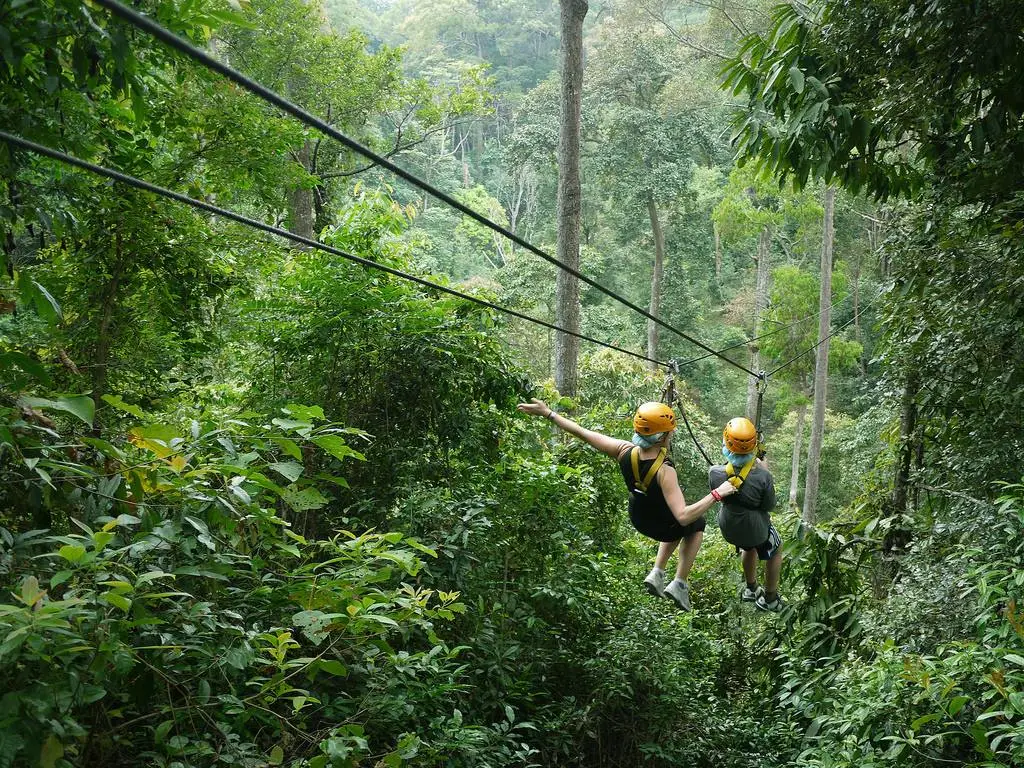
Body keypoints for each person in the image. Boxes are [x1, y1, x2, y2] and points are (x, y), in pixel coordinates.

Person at [517, 398, 739, 611]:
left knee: (678, 519)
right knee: (695, 522)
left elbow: (582, 433)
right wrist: (717, 494)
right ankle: (680, 583)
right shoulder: (664, 470)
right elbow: (682, 516)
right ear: (662, 437)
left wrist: (548, 413)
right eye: (670, 431)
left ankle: (657, 572)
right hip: (662, 525)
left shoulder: (624, 451)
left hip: (639, 518)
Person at [708, 417, 783, 612]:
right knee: (776, 549)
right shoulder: (762, 476)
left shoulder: (715, 472)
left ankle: (751, 588)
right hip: (754, 528)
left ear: (725, 443)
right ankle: (771, 598)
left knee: (748, 548)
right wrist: (764, 471)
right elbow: (768, 506)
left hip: (729, 527)